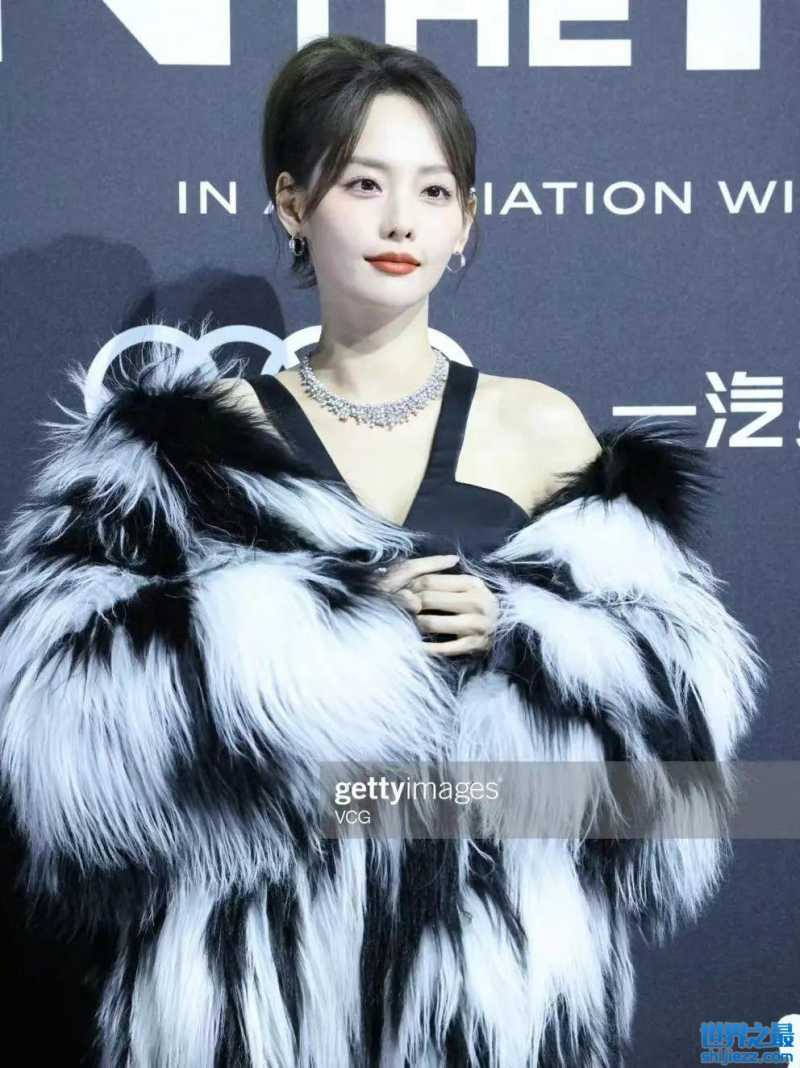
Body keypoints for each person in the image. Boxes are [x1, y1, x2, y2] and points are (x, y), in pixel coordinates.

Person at [0, 34, 766, 1068]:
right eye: (363, 183)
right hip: (253, 991)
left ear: (465, 222)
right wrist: (328, 642)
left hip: (492, 994)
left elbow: (678, 756)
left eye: (434, 190)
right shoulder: (179, 447)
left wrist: (523, 634)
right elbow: (60, 717)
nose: (401, 220)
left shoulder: (541, 429)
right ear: (292, 203)